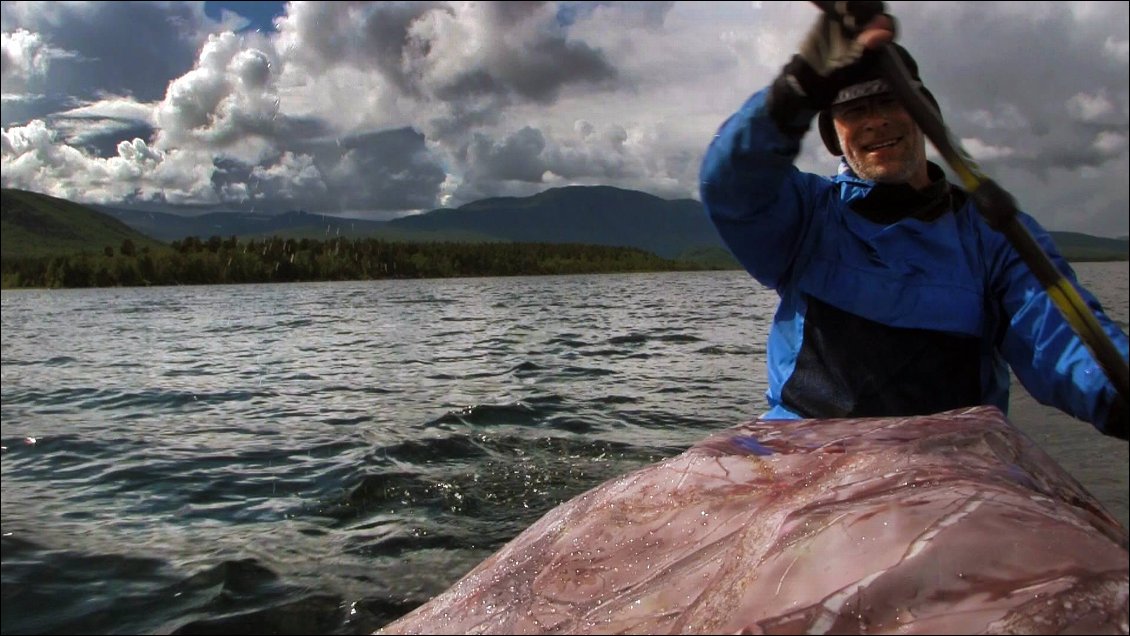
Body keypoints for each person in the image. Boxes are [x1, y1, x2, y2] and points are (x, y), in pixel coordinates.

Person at [698, 3, 1128, 439]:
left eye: (890, 100)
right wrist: (800, 83)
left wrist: (1115, 395)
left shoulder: (992, 236)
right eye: (854, 110)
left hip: (946, 467)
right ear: (835, 136)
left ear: (925, 116)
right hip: (802, 456)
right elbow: (731, 183)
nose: (875, 121)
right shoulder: (808, 215)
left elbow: (1055, 335)